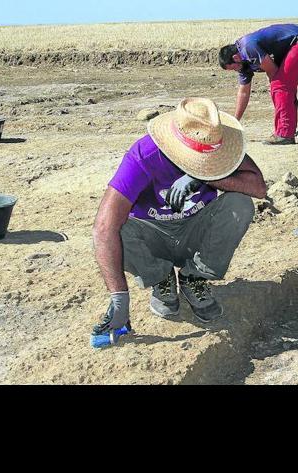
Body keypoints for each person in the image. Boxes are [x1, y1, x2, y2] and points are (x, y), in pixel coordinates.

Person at [90, 97, 267, 338]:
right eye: (197, 159)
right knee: (116, 230)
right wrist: (119, 298)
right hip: (153, 236)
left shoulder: (219, 144)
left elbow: (258, 188)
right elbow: (103, 227)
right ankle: (161, 277)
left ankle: (193, 276)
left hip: (195, 233)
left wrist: (204, 176)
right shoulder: (144, 155)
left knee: (240, 205)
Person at [219, 23, 298, 145]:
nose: (236, 70)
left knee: (280, 85)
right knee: (281, 87)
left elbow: (273, 72)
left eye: (233, 68)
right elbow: (243, 92)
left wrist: (279, 91)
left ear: (235, 58)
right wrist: (235, 121)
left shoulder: (248, 47)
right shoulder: (242, 63)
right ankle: (286, 131)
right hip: (294, 46)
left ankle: (284, 134)